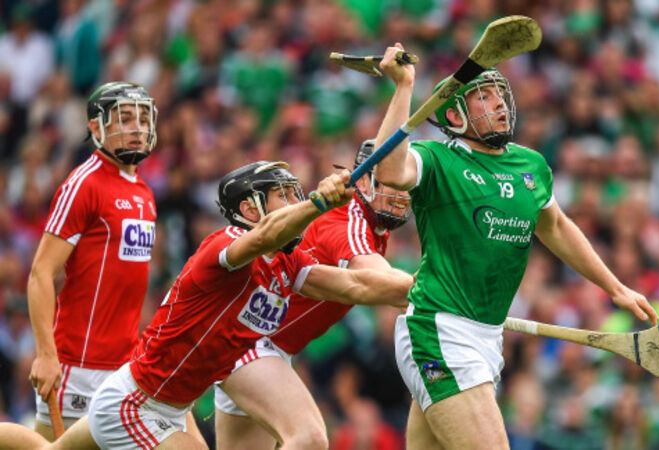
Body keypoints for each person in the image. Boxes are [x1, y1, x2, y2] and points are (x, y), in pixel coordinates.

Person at [0, 160, 413, 449]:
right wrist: (318, 204)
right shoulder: (226, 245)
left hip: (169, 406)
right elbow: (263, 238)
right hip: (136, 404)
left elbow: (356, 284)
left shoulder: (289, 264)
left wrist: (428, 289)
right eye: (282, 196)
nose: (295, 202)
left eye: (296, 193)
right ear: (249, 209)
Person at [373, 43, 659, 449]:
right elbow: (388, 169)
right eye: (483, 96)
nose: (499, 104)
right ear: (454, 115)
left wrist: (615, 288)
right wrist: (404, 87)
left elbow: (555, 227)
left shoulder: (531, 166)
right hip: (440, 331)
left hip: (486, 338)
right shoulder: (436, 159)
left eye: (500, 94)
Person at [212, 139, 412, 449]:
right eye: (392, 182)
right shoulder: (349, 218)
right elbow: (374, 279)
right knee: (310, 438)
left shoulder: (374, 228)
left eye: (405, 184)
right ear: (363, 181)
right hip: (250, 341)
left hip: (263, 346)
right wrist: (439, 291)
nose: (402, 194)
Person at [26, 81, 170, 440]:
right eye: (125, 118)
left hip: (125, 367)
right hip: (78, 365)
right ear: (95, 127)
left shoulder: (144, 192)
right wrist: (46, 355)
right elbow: (41, 273)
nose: (137, 128)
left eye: (143, 119)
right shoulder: (84, 184)